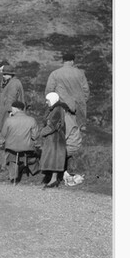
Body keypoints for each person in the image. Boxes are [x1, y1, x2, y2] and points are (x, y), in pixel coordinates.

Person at [45, 52, 91, 183]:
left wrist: (52, 106)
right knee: (73, 142)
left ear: (63, 60)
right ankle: (67, 171)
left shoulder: (55, 74)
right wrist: (79, 104)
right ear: (72, 61)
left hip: (60, 111)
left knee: (59, 141)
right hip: (75, 113)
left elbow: (49, 91)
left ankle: (56, 173)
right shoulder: (80, 73)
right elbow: (86, 91)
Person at [1, 101, 40, 184]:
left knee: (12, 157)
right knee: (33, 153)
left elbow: (4, 134)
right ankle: (35, 172)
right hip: (27, 147)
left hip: (12, 148)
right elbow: (35, 136)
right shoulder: (31, 120)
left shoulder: (9, 120)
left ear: (15, 109)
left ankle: (13, 177)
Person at [40, 91, 69, 189]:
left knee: (54, 158)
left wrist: (41, 133)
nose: (46, 103)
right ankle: (52, 179)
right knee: (52, 158)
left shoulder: (57, 110)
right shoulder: (55, 109)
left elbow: (52, 126)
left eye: (48, 100)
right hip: (53, 139)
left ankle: (53, 179)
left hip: (55, 139)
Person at [0, 64, 25, 131]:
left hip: (10, 112)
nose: (3, 76)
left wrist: (11, 112)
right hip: (10, 110)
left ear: (10, 75)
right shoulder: (10, 82)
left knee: (10, 132)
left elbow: (11, 99)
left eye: (5, 74)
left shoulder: (13, 83)